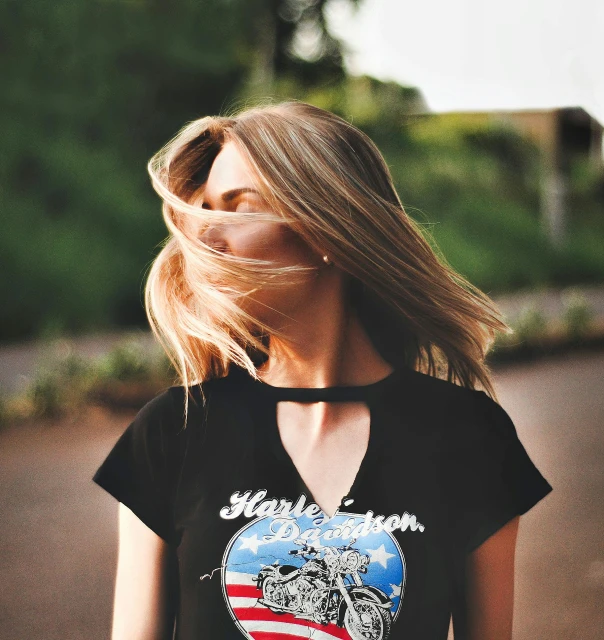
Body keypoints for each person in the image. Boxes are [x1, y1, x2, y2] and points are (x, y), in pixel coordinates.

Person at [93, 101, 553, 640]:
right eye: (204, 213)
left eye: (238, 209)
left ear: (326, 230)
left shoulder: (469, 437)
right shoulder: (171, 434)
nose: (205, 240)